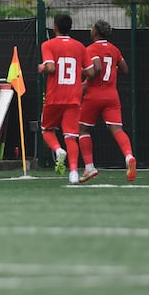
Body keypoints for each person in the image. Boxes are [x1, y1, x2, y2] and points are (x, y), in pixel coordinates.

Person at [78, 20, 138, 183]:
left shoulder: (91, 48)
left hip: (94, 95)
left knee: (82, 129)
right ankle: (128, 156)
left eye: (92, 28)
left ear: (96, 32)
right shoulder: (114, 49)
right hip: (112, 95)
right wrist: (112, 70)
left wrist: (85, 79)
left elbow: (96, 68)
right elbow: (125, 69)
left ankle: (89, 167)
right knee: (117, 129)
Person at [38, 14, 95, 185]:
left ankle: (57, 150)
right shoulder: (80, 47)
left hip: (54, 96)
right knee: (71, 136)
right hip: (73, 97)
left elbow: (51, 67)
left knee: (47, 130)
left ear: (55, 27)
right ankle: (73, 173)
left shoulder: (47, 44)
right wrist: (78, 70)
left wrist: (41, 68)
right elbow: (91, 72)